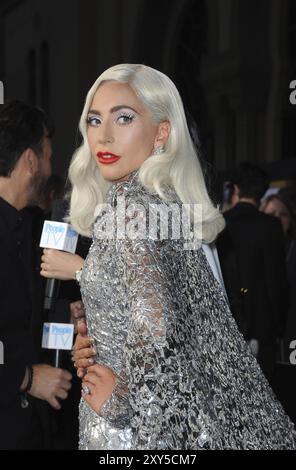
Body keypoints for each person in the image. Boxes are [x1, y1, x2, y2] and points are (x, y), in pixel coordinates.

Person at [41, 64, 296, 450]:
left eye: (123, 118)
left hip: (130, 427)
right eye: (94, 120)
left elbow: (156, 324)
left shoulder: (132, 210)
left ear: (162, 131)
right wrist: (96, 345)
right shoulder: (162, 205)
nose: (104, 135)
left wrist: (122, 398)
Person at [0, 101, 72, 449]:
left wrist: (67, 316)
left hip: (33, 426)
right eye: (47, 155)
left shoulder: (30, 226)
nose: (49, 166)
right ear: (29, 160)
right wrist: (26, 378)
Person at [216, 163, 289, 381]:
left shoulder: (221, 223)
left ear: (236, 189)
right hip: (262, 320)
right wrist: (278, 326)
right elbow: (276, 280)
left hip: (228, 320)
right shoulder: (270, 225)